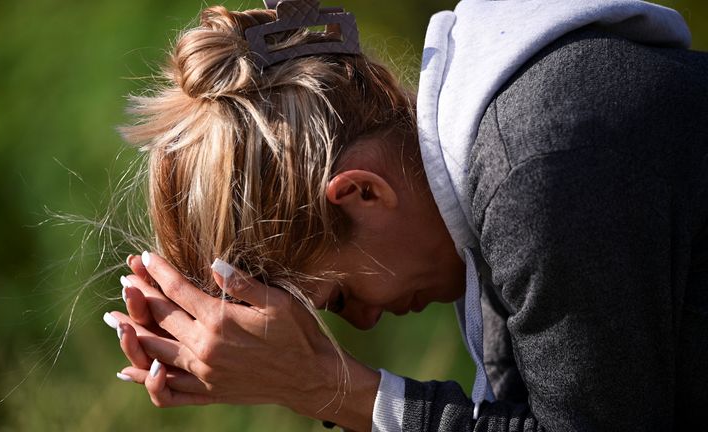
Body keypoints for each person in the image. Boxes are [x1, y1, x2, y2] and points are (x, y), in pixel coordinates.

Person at [101, 0, 708, 430]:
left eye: (337, 296)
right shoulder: (513, 147)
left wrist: (327, 387)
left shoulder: (537, 172)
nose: (363, 323)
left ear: (362, 193)